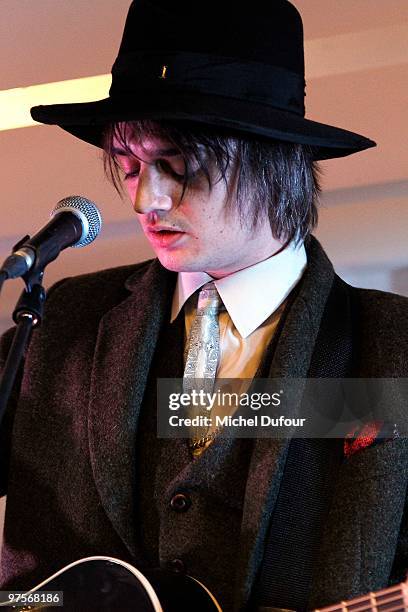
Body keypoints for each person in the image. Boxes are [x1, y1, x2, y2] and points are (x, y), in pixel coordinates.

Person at [1, 1, 407, 610]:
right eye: (129, 164)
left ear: (275, 159)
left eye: (177, 164)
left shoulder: (392, 348)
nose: (144, 199)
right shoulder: (66, 321)